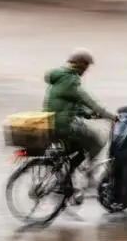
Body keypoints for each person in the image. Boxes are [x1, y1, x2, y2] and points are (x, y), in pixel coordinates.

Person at [43, 49, 116, 194]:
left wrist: (88, 115)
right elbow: (89, 101)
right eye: (86, 66)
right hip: (63, 125)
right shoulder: (70, 81)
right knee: (96, 141)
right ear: (80, 65)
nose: (86, 70)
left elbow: (71, 104)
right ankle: (88, 176)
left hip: (52, 122)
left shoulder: (60, 77)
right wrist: (111, 116)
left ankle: (64, 181)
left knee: (79, 150)